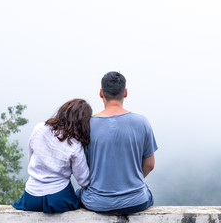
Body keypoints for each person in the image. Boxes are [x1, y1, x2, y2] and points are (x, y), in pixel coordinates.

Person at [78, 71, 158, 214]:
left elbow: (81, 166)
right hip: (136, 201)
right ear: (125, 92)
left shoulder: (87, 124)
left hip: (97, 202)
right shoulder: (142, 122)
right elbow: (150, 164)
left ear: (101, 93)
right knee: (146, 193)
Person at [13, 99, 92, 213]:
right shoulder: (75, 144)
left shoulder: (39, 129)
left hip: (31, 196)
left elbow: (31, 159)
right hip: (59, 197)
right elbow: (83, 180)